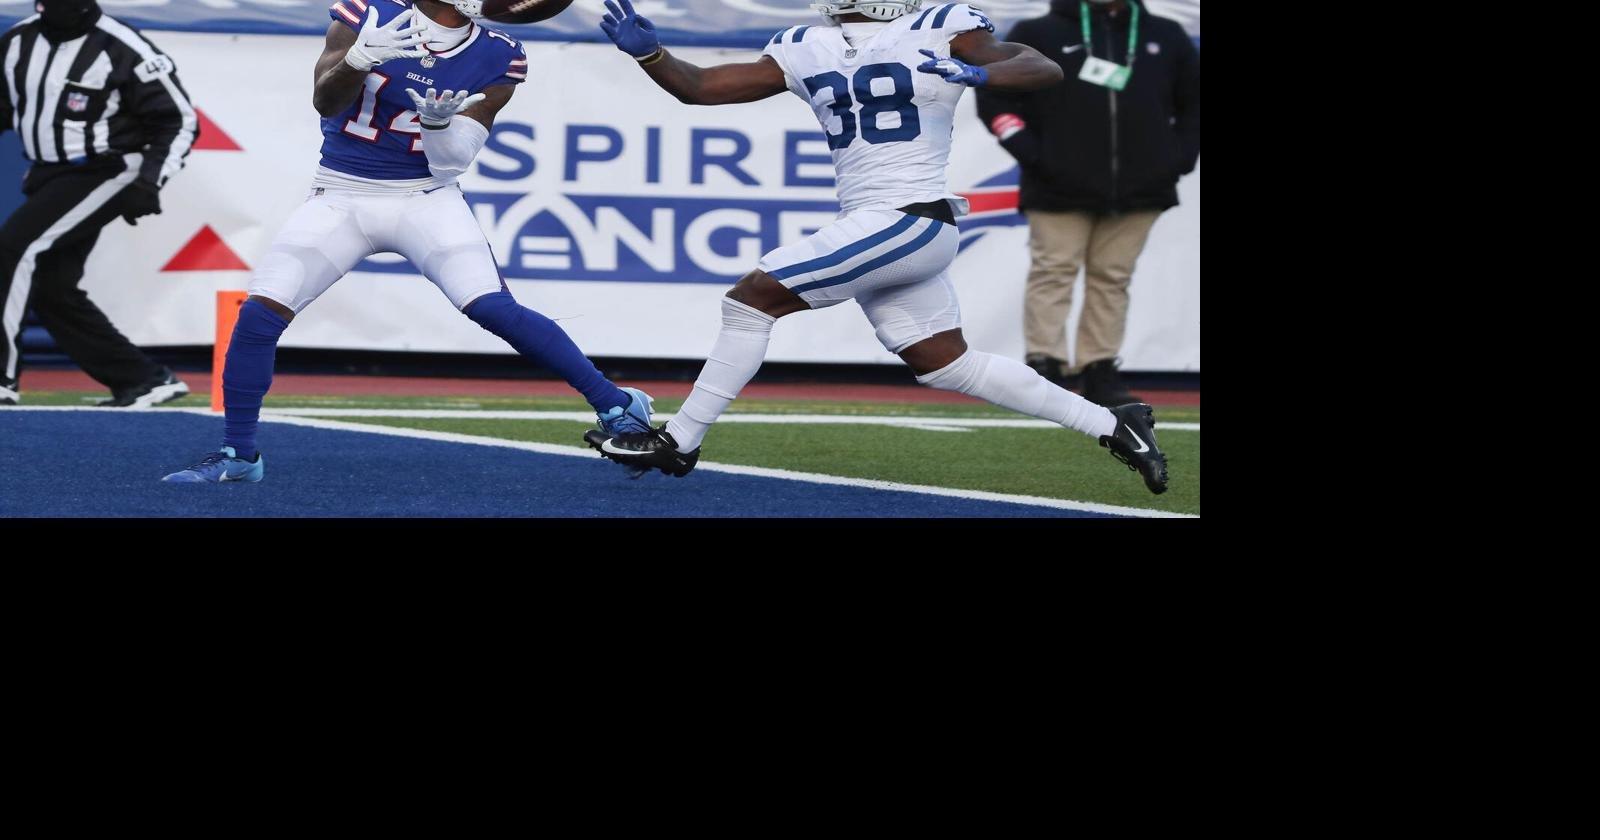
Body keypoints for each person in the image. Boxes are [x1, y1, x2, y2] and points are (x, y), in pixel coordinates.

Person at [587, 0, 1168, 494]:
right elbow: (704, 87)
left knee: (751, 299)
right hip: (882, 223)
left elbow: (1038, 66)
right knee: (947, 365)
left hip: (908, 217)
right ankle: (1114, 424)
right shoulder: (804, 43)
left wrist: (982, 76)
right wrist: (651, 56)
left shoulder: (941, 22)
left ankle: (679, 441)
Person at [162, 0, 652, 483]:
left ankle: (616, 403)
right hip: (342, 193)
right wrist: (358, 60)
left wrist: (438, 126)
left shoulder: (501, 54)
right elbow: (325, 101)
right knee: (258, 315)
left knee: (493, 309)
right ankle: (239, 454)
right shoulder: (366, 12)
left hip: (425, 196)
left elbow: (453, 162)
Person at [975, 0, 1199, 406]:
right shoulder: (1038, 31)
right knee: (1053, 270)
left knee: (1113, 278)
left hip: (1142, 188)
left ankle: (1099, 368)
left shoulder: (1165, 35)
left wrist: (1178, 159)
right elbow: (996, 98)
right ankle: (1045, 366)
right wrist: (1032, 153)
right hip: (1056, 185)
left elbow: (1193, 104)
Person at [0, 0, 196, 408]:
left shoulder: (123, 47)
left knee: (14, 247)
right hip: (47, 173)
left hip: (108, 168)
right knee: (53, 289)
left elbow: (179, 120)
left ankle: (2, 376)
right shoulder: (18, 41)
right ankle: (143, 379)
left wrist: (149, 181)